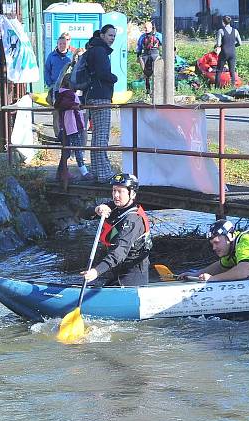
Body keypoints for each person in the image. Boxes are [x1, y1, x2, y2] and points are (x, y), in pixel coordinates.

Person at [82, 173, 151, 287]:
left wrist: (96, 271)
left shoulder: (133, 219)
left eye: (120, 191)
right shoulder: (114, 207)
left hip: (133, 274)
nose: (116, 195)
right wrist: (96, 209)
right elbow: (82, 214)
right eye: (114, 190)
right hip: (117, 269)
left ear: (132, 193)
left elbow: (120, 252)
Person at [83, 25, 118, 184]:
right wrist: (114, 78)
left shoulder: (93, 49)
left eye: (114, 36)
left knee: (97, 135)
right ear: (102, 35)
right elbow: (102, 74)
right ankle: (104, 173)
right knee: (101, 136)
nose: (112, 38)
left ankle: (98, 170)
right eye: (110, 35)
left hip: (92, 95)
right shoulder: (100, 51)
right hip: (101, 96)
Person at [53, 73, 91, 183]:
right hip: (72, 126)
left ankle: (62, 173)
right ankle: (83, 171)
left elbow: (58, 104)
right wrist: (74, 105)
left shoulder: (60, 93)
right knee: (77, 148)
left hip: (66, 126)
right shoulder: (69, 94)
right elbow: (65, 104)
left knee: (67, 151)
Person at [214, 15, 242, 89]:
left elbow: (218, 44)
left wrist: (216, 46)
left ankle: (217, 87)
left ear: (223, 22)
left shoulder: (221, 31)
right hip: (232, 52)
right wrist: (232, 46)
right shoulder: (235, 31)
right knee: (232, 71)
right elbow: (240, 43)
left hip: (224, 52)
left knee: (219, 70)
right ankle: (233, 87)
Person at [136, 21, 162, 94]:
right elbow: (139, 46)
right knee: (146, 74)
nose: (146, 29)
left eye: (148, 27)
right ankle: (148, 91)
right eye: (145, 27)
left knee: (156, 73)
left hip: (155, 54)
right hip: (146, 55)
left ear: (151, 27)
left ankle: (157, 91)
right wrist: (138, 56)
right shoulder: (142, 36)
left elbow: (164, 43)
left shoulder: (157, 35)